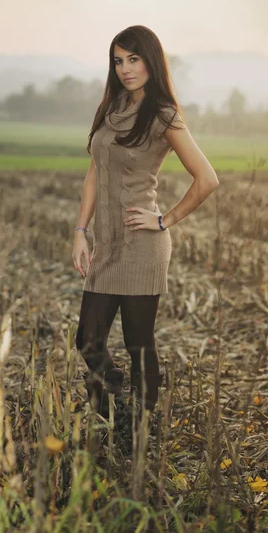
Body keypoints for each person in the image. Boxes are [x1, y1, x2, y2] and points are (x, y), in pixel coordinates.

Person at [72, 25, 219, 426]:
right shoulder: (111, 107)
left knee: (139, 344)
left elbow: (207, 178)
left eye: (133, 59)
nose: (124, 68)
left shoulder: (163, 114)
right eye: (118, 60)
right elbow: (93, 175)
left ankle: (140, 425)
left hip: (142, 244)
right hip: (106, 245)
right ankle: (112, 402)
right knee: (87, 340)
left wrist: (164, 219)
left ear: (151, 61)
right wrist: (80, 232)